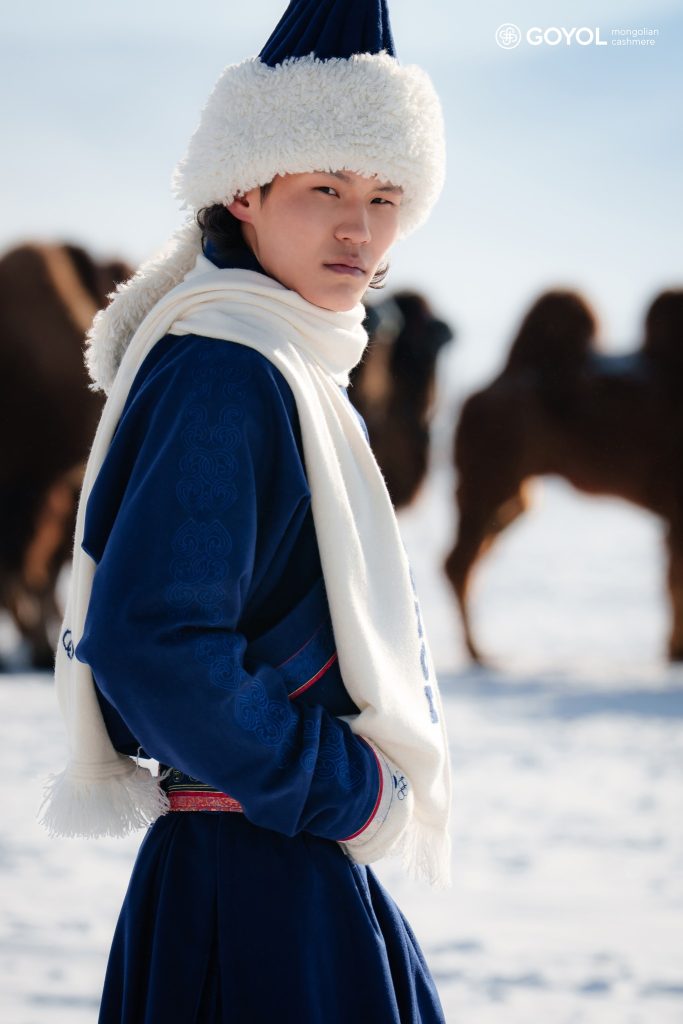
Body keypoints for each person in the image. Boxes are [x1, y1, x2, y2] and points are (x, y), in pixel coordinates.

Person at [38, 2, 453, 1021]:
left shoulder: (281, 358)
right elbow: (155, 643)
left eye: (384, 196)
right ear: (245, 192)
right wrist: (339, 785)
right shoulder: (228, 370)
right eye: (324, 189)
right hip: (253, 888)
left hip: (272, 863)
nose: (359, 227)